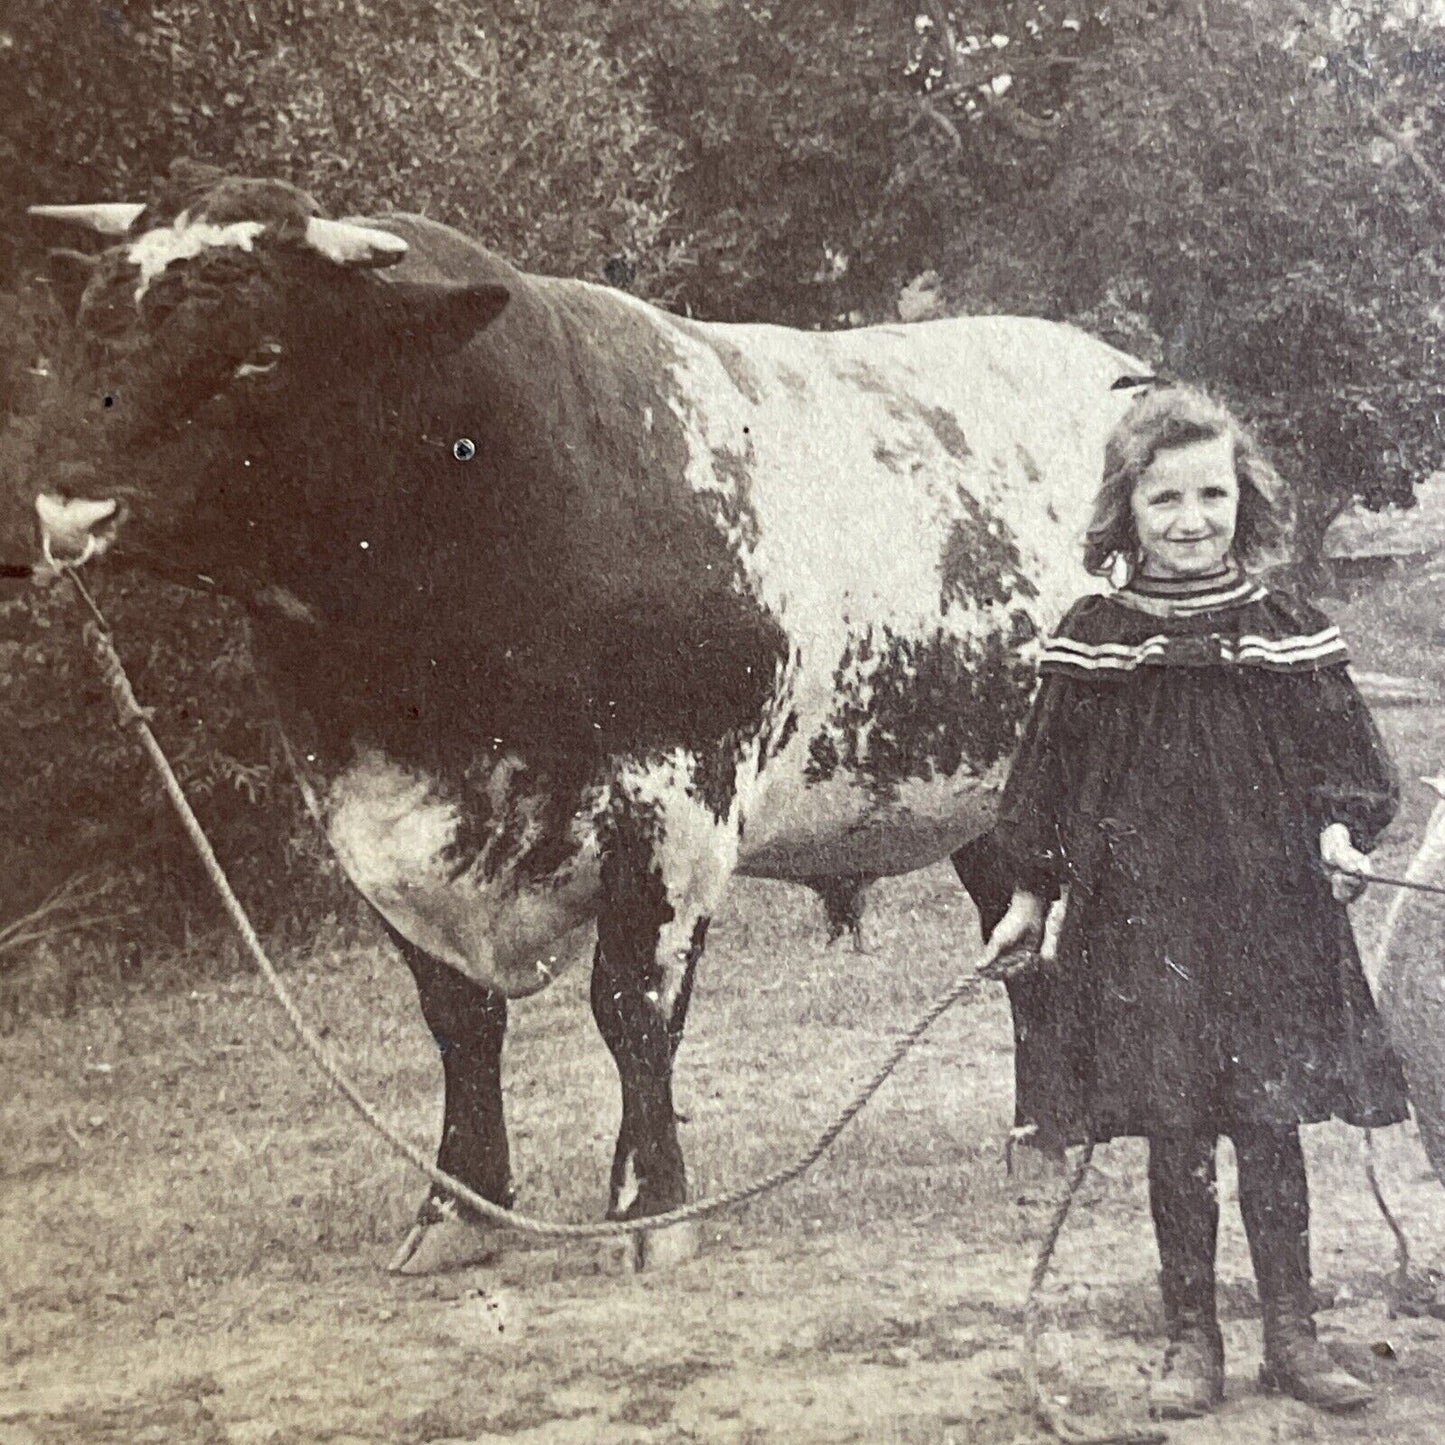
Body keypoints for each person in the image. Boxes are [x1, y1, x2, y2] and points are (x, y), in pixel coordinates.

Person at [984, 383, 1409, 1419]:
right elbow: (1043, 781)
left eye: (1209, 494)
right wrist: (1029, 894)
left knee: (1270, 1125)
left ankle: (1292, 1334)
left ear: (1242, 499)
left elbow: (1343, 760)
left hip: (1271, 920)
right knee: (1174, 1130)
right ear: (1124, 511)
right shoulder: (1095, 635)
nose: (1189, 519)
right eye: (1163, 499)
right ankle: (1190, 1337)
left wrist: (1340, 831)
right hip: (1143, 926)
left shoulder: (1281, 626)